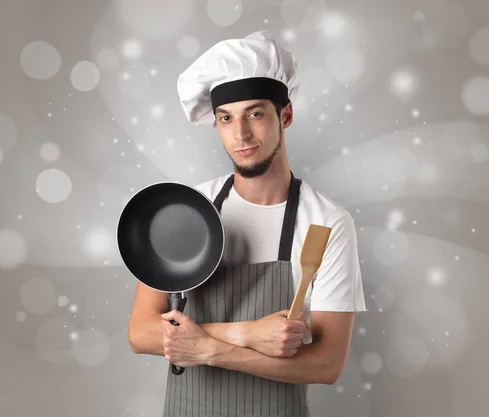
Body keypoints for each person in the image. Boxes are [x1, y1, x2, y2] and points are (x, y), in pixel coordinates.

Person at [127, 30, 367, 417]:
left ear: (284, 115)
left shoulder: (326, 223)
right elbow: (140, 333)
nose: (240, 135)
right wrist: (246, 333)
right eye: (226, 118)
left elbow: (326, 364)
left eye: (255, 113)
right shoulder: (188, 209)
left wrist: (210, 349)